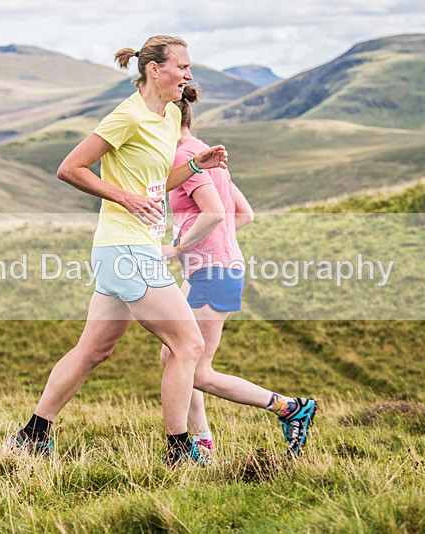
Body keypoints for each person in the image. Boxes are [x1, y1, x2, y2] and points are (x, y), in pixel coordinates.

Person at [10, 36, 228, 466]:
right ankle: (179, 452)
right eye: (182, 66)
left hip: (130, 249)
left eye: (189, 67)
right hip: (126, 250)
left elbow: (153, 184)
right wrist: (123, 197)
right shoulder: (126, 116)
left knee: (93, 351)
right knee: (188, 345)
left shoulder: (169, 116)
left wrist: (194, 166)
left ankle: (32, 436)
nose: (188, 74)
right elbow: (70, 168)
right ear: (154, 70)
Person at [160, 85, 317, 459]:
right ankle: (202, 444)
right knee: (174, 357)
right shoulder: (204, 154)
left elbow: (215, 213)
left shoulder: (185, 156)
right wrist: (204, 243)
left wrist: (178, 247)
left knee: (196, 369)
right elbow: (243, 214)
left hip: (213, 272)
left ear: (168, 117)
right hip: (213, 269)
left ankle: (290, 408)